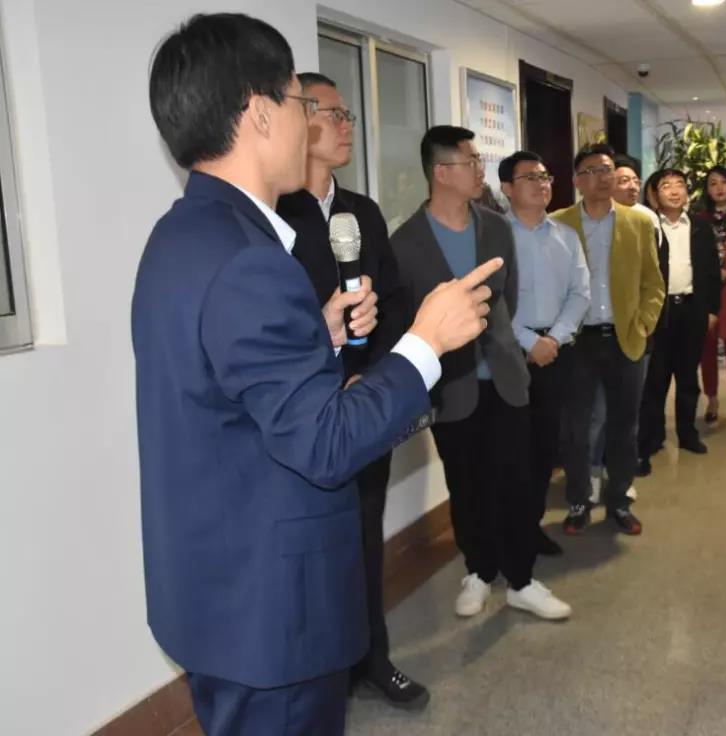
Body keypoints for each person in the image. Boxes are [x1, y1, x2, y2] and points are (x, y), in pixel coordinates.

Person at [136, 14, 498, 735]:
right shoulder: (249, 260)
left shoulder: (181, 234)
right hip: (272, 612)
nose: (310, 123)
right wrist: (425, 343)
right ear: (259, 111)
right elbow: (325, 443)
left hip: (216, 588)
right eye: (302, 103)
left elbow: (224, 389)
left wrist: (318, 333)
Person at [276, 72, 427, 710]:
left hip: (366, 403)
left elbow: (392, 299)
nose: (346, 127)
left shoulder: (360, 212)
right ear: (299, 118)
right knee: (314, 549)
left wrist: (378, 371)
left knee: (366, 532)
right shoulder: (275, 216)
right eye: (333, 114)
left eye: (348, 117)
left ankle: (373, 657)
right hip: (307, 411)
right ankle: (323, 672)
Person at [391, 126, 571, 621]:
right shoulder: (406, 243)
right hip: (452, 386)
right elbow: (408, 321)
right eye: (470, 162)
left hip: (506, 379)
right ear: (440, 172)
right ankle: (478, 570)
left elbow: (505, 298)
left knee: (516, 481)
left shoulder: (495, 228)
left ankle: (522, 580)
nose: (479, 170)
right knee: (467, 484)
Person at [552, 143, 665, 535]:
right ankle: (579, 501)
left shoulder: (639, 222)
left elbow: (653, 282)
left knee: (624, 426)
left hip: (624, 337)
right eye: (592, 171)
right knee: (576, 429)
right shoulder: (558, 223)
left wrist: (644, 323)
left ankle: (618, 500)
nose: (602, 177)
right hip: (577, 341)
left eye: (607, 169)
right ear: (577, 181)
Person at [500, 150, 590, 556]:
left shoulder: (566, 236)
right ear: (507, 188)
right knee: (510, 447)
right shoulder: (494, 236)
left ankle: (531, 527)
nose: (542, 184)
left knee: (545, 446)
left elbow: (580, 293)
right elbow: (490, 300)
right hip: (508, 353)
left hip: (556, 354)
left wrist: (553, 339)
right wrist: (528, 341)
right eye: (530, 178)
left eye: (545, 176)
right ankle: (506, 530)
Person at [637, 168, 720, 471]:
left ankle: (687, 433)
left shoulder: (700, 226)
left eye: (680, 185)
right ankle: (653, 435)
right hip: (658, 311)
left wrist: (711, 310)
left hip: (691, 308)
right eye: (666, 186)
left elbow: (711, 271)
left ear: (687, 192)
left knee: (687, 377)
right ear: (654, 193)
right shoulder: (647, 225)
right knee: (656, 378)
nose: (674, 191)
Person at [695, 165, 726, 424]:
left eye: (724, 182)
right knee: (707, 345)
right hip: (707, 289)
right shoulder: (699, 219)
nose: (719, 188)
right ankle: (712, 398)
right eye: (713, 183)